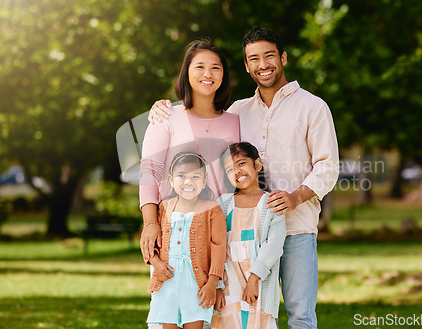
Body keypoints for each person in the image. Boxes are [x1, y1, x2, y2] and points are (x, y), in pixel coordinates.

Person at [149, 27, 339, 329]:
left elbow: (328, 167)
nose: (263, 64)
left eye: (269, 56)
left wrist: (296, 196)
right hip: (243, 233)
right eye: (254, 59)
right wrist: (163, 108)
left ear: (284, 58)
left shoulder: (312, 107)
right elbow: (202, 126)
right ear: (247, 65)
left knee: (301, 315)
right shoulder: (237, 112)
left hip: (296, 228)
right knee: (240, 314)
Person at [139, 39, 240, 328]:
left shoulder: (234, 120)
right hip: (176, 230)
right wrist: (150, 222)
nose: (208, 73)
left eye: (215, 67)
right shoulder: (166, 116)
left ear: (223, 75)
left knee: (215, 314)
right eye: (200, 66)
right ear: (187, 73)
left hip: (224, 225)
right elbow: (150, 169)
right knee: (170, 311)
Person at [146, 152, 227, 329]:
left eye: (195, 176)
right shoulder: (163, 207)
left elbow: (219, 248)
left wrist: (212, 283)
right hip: (167, 280)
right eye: (181, 176)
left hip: (197, 283)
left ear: (205, 181)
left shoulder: (212, 210)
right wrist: (155, 263)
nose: (188, 182)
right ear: (171, 180)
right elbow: (149, 241)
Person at [211, 142, 286, 329]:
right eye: (229, 169)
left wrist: (254, 278)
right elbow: (216, 245)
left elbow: (274, 246)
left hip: (259, 281)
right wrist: (218, 286)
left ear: (258, 165)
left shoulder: (272, 203)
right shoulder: (223, 204)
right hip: (229, 284)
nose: (236, 171)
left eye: (241, 164)